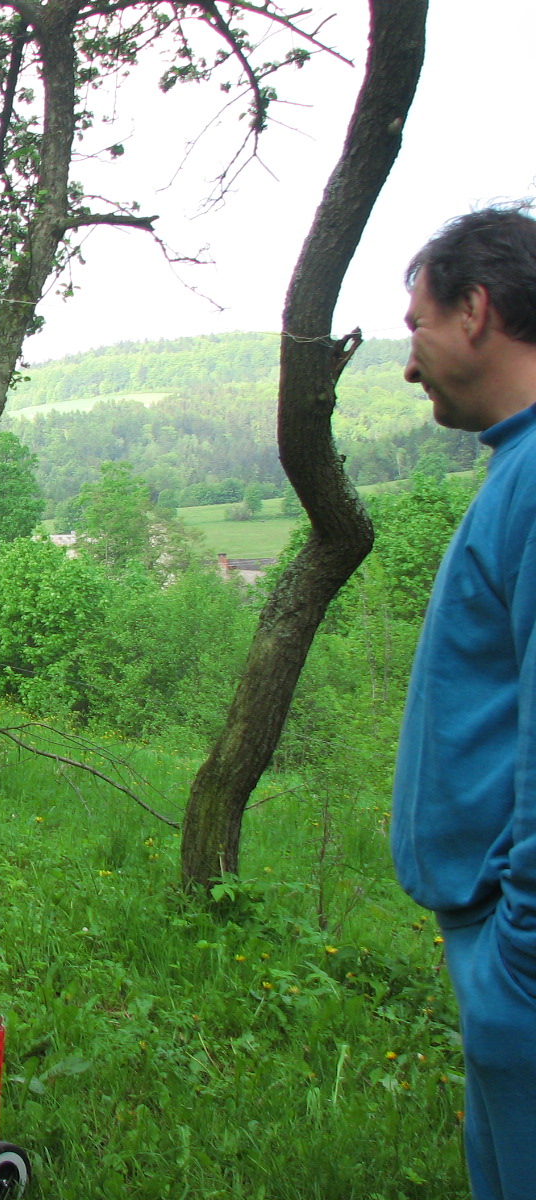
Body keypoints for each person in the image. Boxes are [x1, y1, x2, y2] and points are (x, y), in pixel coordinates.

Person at [391, 206, 536, 1200]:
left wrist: (516, 974)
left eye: (418, 326)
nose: (409, 364)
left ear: (475, 311)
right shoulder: (514, 467)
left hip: (517, 959)